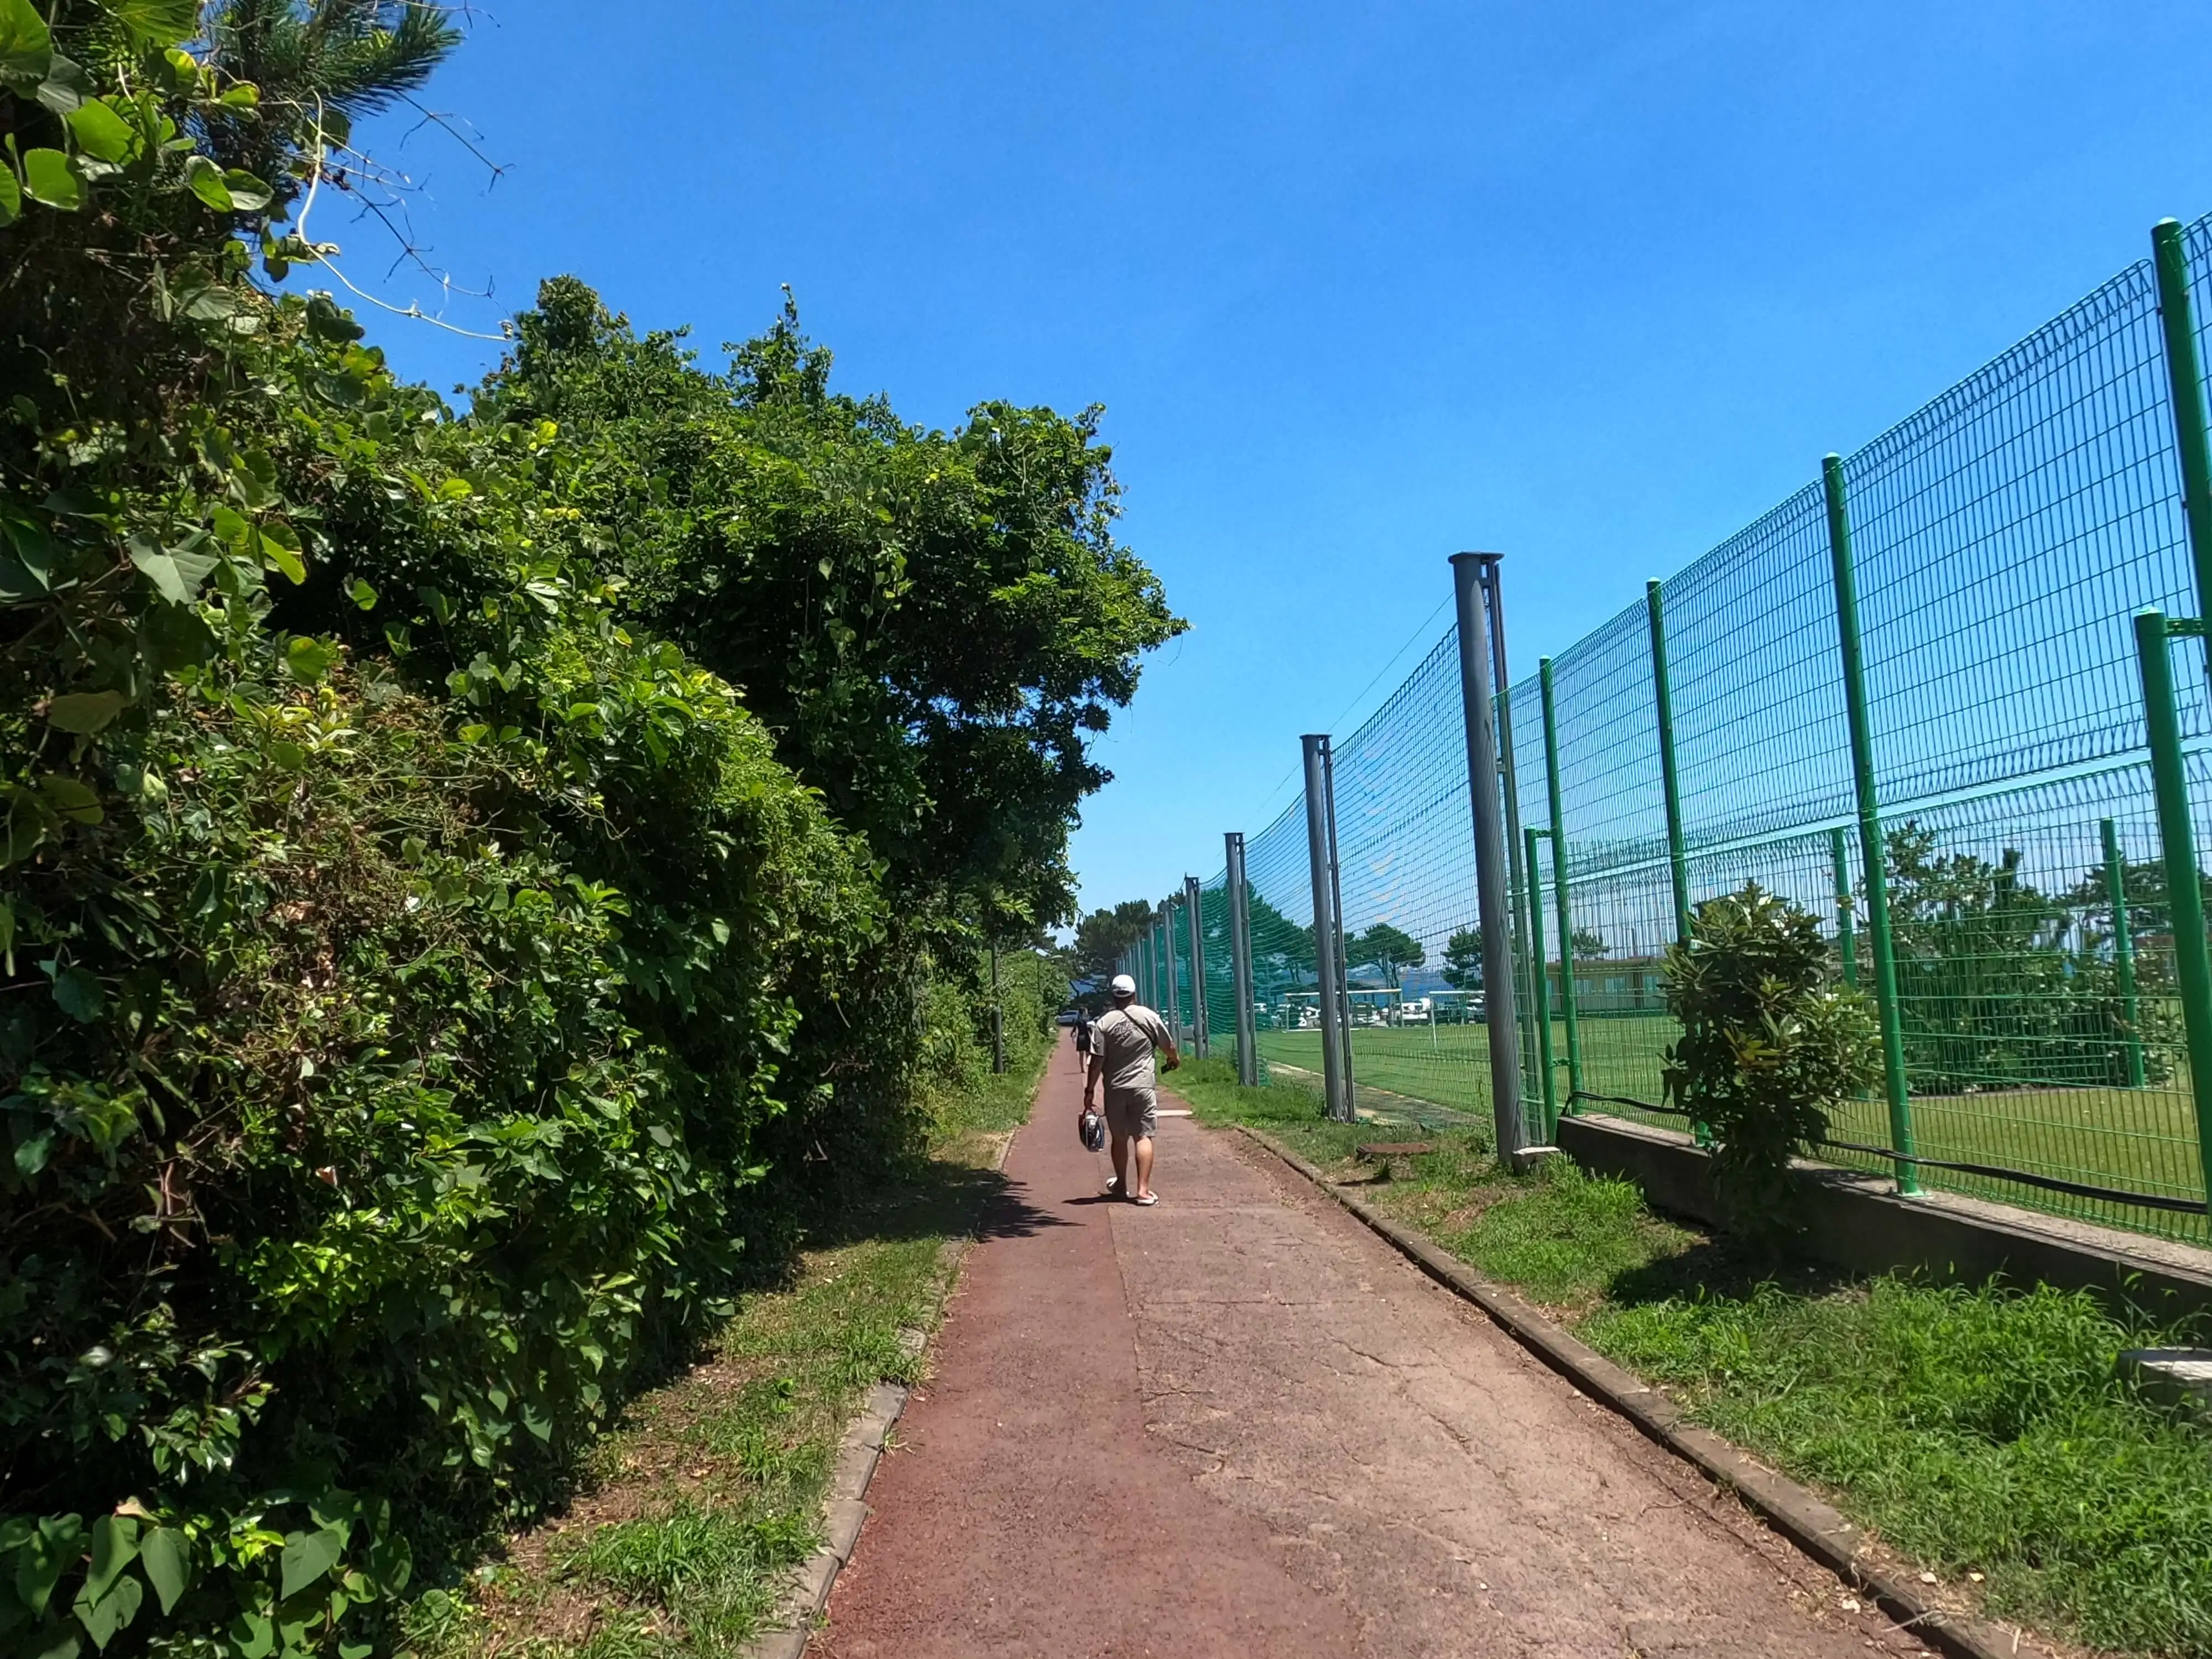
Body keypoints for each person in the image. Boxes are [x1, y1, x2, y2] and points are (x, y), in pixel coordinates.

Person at [1082, 973, 1179, 1206]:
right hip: (1143, 1086)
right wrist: (1173, 1060)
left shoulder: (1104, 1023)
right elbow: (1169, 1046)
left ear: (1114, 996)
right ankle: (1143, 1191)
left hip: (1115, 1087)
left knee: (1119, 1137)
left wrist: (1090, 1092)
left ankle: (1121, 1186)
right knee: (1142, 1135)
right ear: (1134, 994)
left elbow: (1097, 1061)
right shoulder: (1149, 1016)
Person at [1072, 1008, 1095, 1074]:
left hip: (1080, 1037)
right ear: (1085, 1012)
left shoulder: (1078, 1020)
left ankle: (1082, 1069)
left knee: (1081, 1055)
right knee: (1088, 1054)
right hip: (1087, 1037)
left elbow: (1074, 1030)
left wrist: (1073, 1035)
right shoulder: (1088, 1019)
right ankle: (1088, 1067)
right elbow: (1091, 1029)